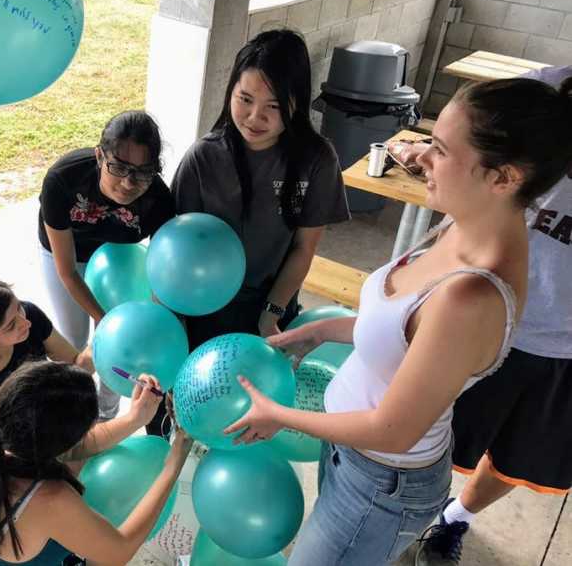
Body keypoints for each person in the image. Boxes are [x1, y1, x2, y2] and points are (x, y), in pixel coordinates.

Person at [224, 76, 572, 565]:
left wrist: (276, 415)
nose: (421, 157)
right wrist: (319, 330)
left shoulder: (471, 297)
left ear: (504, 177)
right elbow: (404, 331)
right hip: (353, 455)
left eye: (442, 151)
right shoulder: (465, 218)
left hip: (380, 485)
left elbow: (393, 430)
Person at [402, 66, 572, 566]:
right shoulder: (545, 91)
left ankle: (453, 519)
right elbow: (466, 132)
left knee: (523, 453)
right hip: (489, 319)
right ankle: (409, 514)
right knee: (430, 437)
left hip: (563, 348)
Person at [171, 29, 349, 349]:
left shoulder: (317, 160)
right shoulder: (204, 157)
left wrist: (269, 315)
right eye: (245, 99)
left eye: (274, 106)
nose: (255, 117)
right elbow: (176, 250)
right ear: (231, 92)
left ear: (296, 104)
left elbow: (303, 248)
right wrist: (176, 326)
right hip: (203, 305)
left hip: (272, 304)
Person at [0, 360, 193, 565]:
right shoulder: (49, 499)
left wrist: (135, 418)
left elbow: (74, 447)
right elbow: (119, 551)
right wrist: (172, 467)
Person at [0, 276, 161, 466]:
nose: (24, 321)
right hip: (4, 460)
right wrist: (135, 419)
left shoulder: (30, 317)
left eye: (19, 309)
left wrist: (104, 340)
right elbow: (64, 450)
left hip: (40, 429)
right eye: (10, 325)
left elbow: (77, 365)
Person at [38, 110, 175, 421]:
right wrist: (102, 319)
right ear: (100, 156)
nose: (129, 182)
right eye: (119, 167)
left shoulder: (159, 199)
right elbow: (67, 271)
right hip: (67, 256)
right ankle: (72, 416)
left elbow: (160, 273)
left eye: (143, 172)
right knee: (74, 344)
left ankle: (106, 416)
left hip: (118, 265)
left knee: (120, 346)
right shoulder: (63, 178)